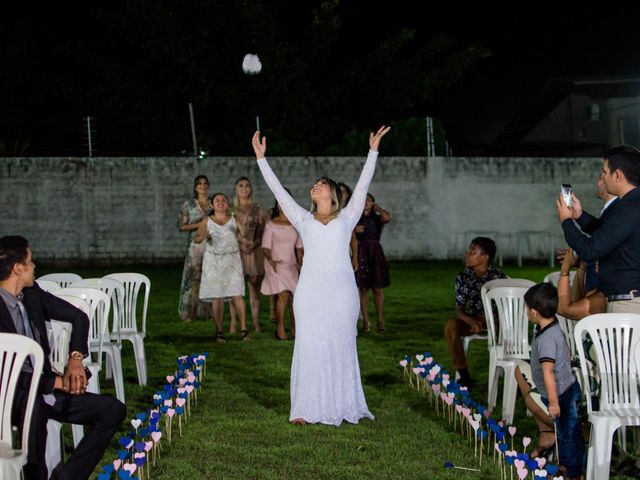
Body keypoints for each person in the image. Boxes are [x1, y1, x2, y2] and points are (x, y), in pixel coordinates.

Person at [252, 125, 390, 425]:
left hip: (341, 293)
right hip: (310, 293)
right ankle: (304, 408)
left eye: (320, 184)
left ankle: (344, 405)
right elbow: (278, 192)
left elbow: (364, 184)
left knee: (340, 346)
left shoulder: (348, 216)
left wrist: (373, 151)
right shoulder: (303, 218)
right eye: (313, 185)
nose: (314, 187)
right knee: (309, 346)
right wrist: (262, 160)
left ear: (332, 193)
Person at [0, 235, 126, 480]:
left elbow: (79, 317)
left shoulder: (32, 294)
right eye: (31, 261)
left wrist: (75, 360)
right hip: (10, 396)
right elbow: (5, 372)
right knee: (33, 408)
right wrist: (55, 383)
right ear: (18, 268)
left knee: (112, 410)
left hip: (46, 388)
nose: (35, 266)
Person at [557, 144, 640, 313]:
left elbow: (590, 251)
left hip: (628, 303)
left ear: (617, 175)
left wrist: (566, 221)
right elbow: (608, 234)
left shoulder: (627, 209)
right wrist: (580, 216)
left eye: (604, 172)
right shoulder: (631, 204)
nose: (602, 177)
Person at [523, 282, 585, 480]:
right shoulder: (553, 325)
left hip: (560, 393)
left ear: (534, 312)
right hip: (567, 388)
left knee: (567, 437)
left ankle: (570, 473)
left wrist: (553, 402)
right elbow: (566, 354)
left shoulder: (547, 339)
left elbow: (549, 372)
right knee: (569, 433)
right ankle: (571, 469)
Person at [443, 237, 507, 387]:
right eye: (469, 251)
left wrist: (491, 323)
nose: (467, 254)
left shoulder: (499, 278)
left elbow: (506, 307)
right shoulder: (463, 277)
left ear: (485, 258)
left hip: (497, 323)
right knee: (450, 326)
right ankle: (464, 376)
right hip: (472, 321)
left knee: (509, 331)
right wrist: (471, 322)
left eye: (473, 252)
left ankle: (517, 375)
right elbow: (459, 309)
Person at [196, 193, 250, 342]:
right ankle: (219, 332)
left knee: (237, 294)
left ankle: (244, 330)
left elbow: (245, 234)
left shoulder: (234, 219)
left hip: (232, 260)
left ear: (227, 204)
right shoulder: (207, 221)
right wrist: (204, 235)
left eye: (223, 200)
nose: (220, 202)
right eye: (217, 201)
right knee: (218, 297)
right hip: (213, 262)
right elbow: (197, 238)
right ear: (212, 205)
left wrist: (240, 222)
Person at [261, 197, 304, 340]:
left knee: (295, 297)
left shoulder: (295, 225)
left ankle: (295, 328)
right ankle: (279, 329)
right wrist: (270, 259)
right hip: (275, 264)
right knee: (284, 294)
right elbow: (266, 247)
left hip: (291, 265)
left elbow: (299, 248)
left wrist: (301, 263)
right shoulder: (270, 224)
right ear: (278, 205)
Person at [232, 177, 265, 333]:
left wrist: (254, 244)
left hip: (254, 250)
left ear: (250, 189)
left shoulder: (257, 208)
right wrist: (240, 244)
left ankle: (255, 322)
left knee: (254, 285)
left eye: (247, 185)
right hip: (236, 251)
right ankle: (234, 323)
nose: (244, 188)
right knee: (235, 289)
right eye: (241, 186)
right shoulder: (231, 210)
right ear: (236, 189)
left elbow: (262, 231)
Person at [355, 193, 391, 333]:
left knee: (377, 287)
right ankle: (365, 321)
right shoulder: (356, 218)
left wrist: (377, 208)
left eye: (368, 201)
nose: (365, 203)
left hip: (375, 252)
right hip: (361, 251)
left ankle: (380, 321)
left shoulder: (376, 218)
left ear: (372, 203)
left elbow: (387, 217)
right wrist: (354, 229)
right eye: (363, 201)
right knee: (363, 288)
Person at [178, 175, 211, 322]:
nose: (202, 186)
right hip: (195, 246)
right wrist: (201, 224)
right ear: (195, 187)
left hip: (211, 246)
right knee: (192, 280)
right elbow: (181, 226)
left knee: (209, 279)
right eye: (199, 184)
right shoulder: (189, 205)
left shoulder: (214, 204)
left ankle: (206, 313)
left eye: (205, 183)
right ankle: (187, 313)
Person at [338, 182, 359, 273]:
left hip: (343, 255)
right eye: (338, 192)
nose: (340, 194)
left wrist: (354, 257)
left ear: (347, 195)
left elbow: (353, 238)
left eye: (343, 192)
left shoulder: (349, 215)